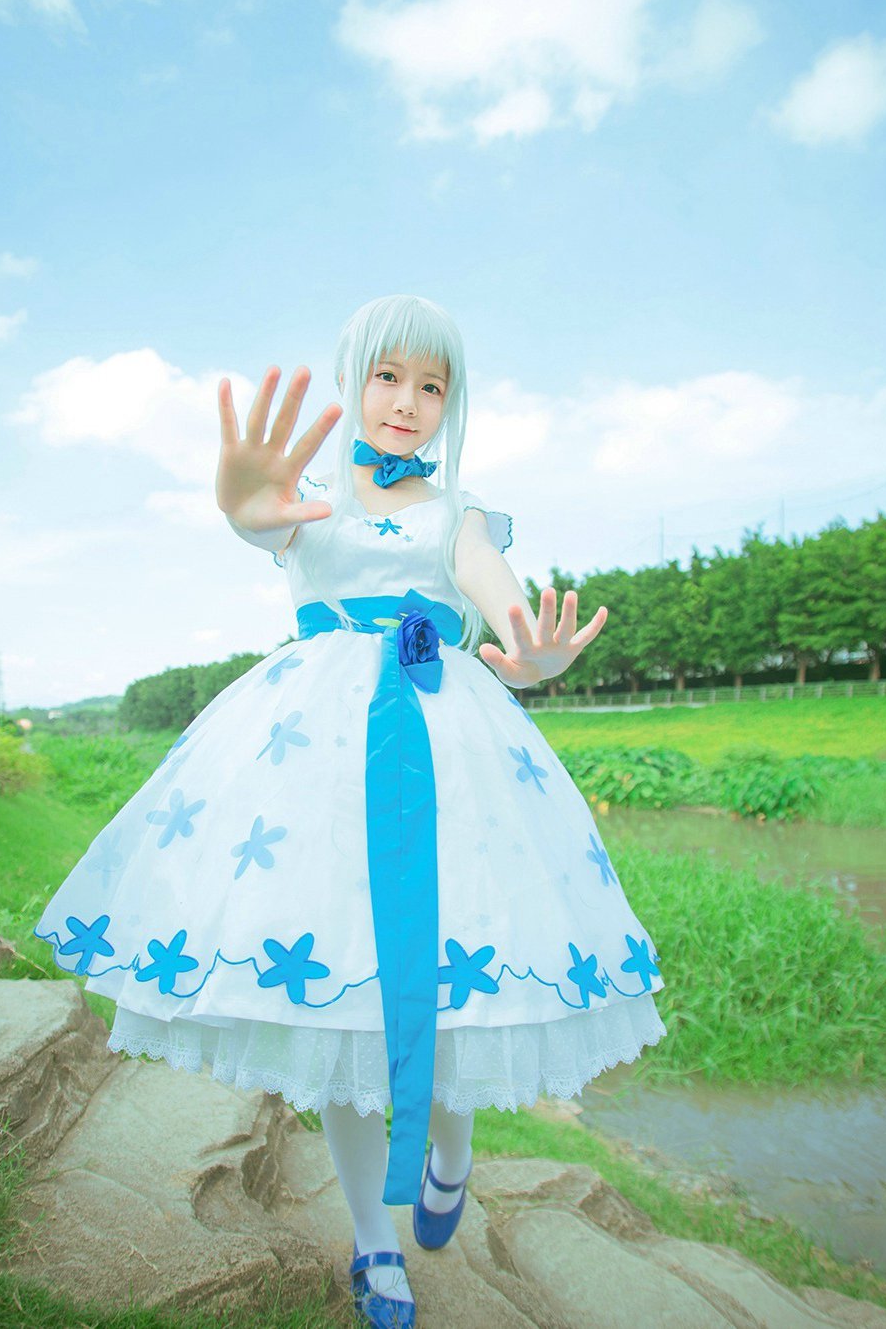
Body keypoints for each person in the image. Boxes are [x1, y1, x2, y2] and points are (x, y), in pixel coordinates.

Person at [33, 293, 667, 1329]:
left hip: (444, 747)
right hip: (312, 762)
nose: (407, 401)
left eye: (431, 385)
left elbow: (497, 593)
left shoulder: (459, 510)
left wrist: (529, 648)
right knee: (340, 993)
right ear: (353, 382)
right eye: (388, 376)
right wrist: (240, 505)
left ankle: (452, 1148)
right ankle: (374, 1241)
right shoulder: (309, 496)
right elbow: (261, 519)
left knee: (450, 968)